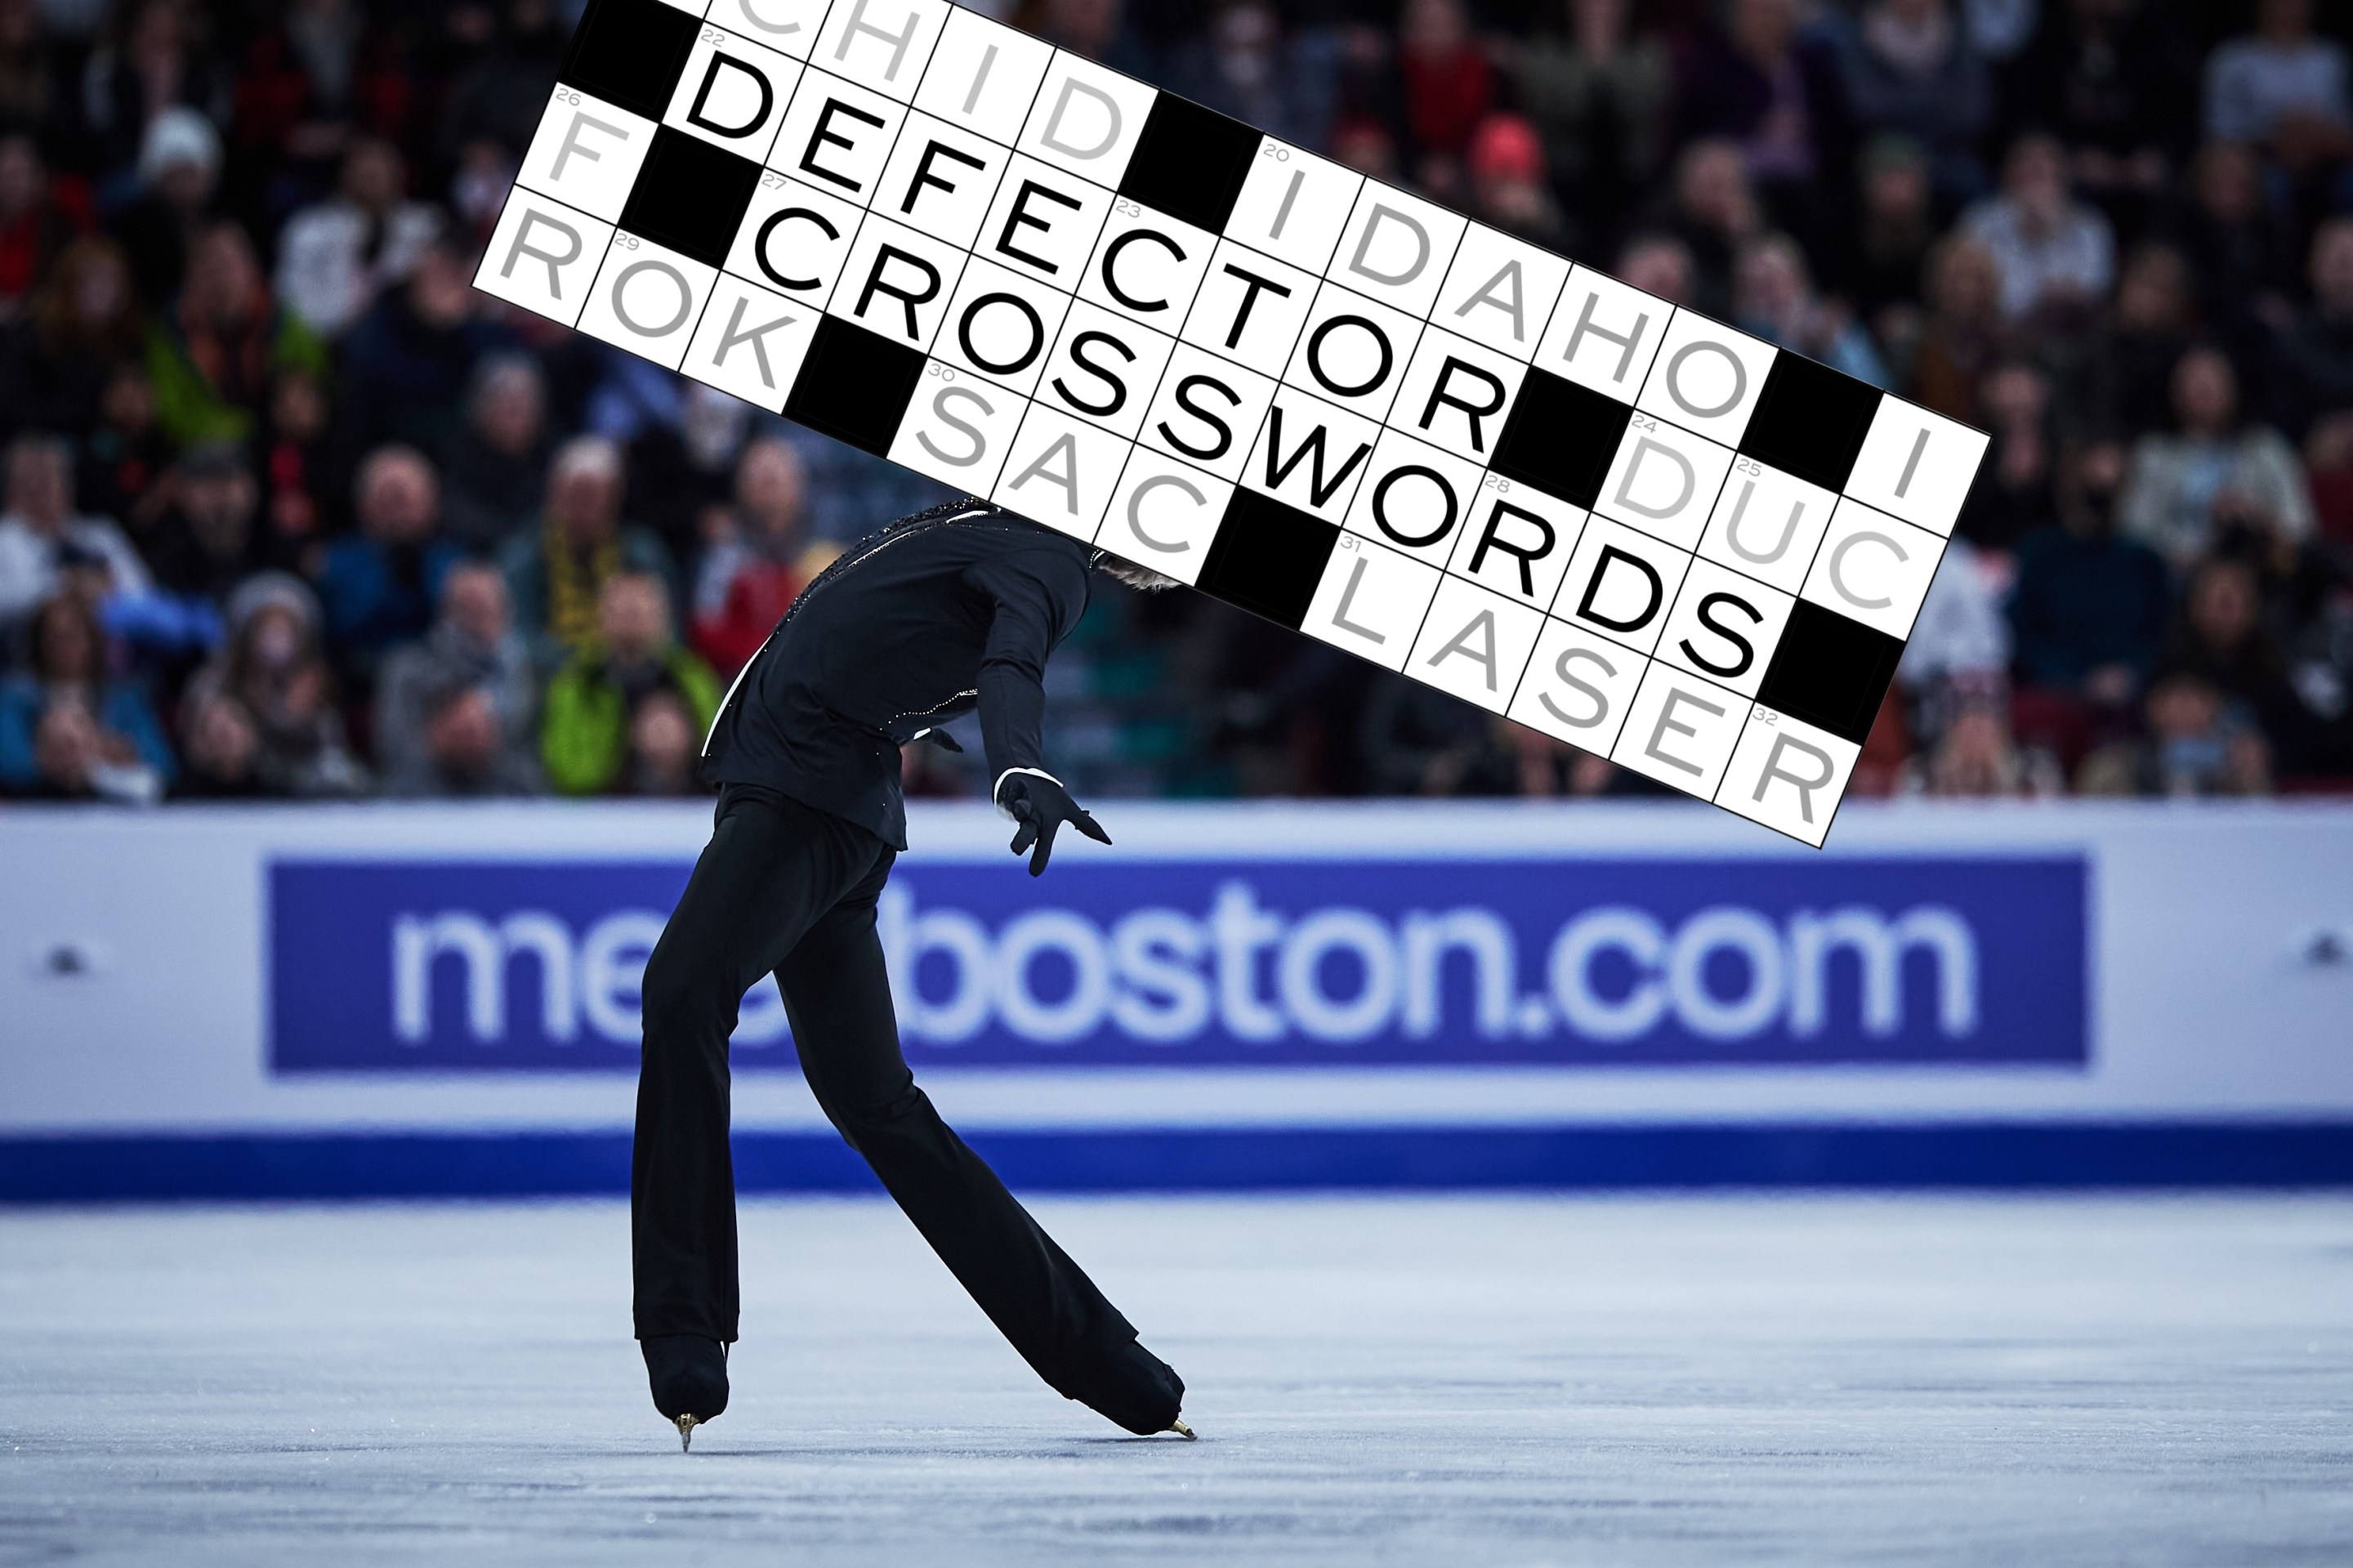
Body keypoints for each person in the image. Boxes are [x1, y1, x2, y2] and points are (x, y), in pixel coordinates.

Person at [635, 498, 1189, 1447]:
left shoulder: (1050, 561)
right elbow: (909, 620)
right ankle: (1118, 1370)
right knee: (880, 1107)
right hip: (833, 794)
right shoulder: (999, 513)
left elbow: (1012, 659)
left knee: (683, 992)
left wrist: (1016, 765)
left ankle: (684, 1327)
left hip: (804, 797)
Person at [2119, 346, 2313, 573]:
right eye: (2194, 380)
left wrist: (2259, 519)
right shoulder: (2154, 454)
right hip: (2176, 579)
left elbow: (2302, 525)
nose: (2204, 388)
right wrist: (2191, 548)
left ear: (2234, 387)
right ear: (2173, 392)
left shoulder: (2266, 447)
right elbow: (2134, 532)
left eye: (2213, 379)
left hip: (2260, 573)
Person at [177, 571, 368, 797]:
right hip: (228, 792)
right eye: (267, 628)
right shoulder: (215, 680)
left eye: (284, 630)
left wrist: (294, 715)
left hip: (295, 796)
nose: (276, 641)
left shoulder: (313, 681)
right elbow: (204, 743)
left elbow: (330, 755)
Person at [499, 435, 676, 670]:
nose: (584, 506)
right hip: (546, 679)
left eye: (595, 494)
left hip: (629, 672)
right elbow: (514, 641)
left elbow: (669, 638)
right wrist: (587, 658)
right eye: (576, 494)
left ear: (615, 497)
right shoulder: (522, 556)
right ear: (554, 494)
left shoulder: (644, 553)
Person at [542, 570, 718, 797]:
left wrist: (680, 747)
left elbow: (717, 756)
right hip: (602, 810)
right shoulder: (577, 683)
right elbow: (565, 768)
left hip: (687, 805)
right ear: (602, 617)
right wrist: (626, 739)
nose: (633, 621)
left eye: (640, 612)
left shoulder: (692, 679)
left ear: (662, 617)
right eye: (624, 612)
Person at [375, 559, 538, 793]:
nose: (476, 619)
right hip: (422, 794)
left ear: (506, 613)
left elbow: (532, 749)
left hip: (505, 792)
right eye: (466, 608)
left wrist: (488, 744)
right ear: (445, 612)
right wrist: (441, 740)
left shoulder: (523, 671)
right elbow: (393, 747)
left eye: (486, 608)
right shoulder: (407, 669)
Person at [0, 589, 172, 801]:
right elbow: (8, 761)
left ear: (93, 641)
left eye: (73, 637)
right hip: (37, 806)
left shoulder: (123, 698)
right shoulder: (17, 696)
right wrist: (55, 759)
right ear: (40, 641)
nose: (64, 647)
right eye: (55, 637)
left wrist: (116, 753)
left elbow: (162, 764)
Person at [313, 444, 459, 687]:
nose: (397, 515)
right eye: (386, 502)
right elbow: (341, 627)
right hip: (353, 686)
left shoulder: (454, 565)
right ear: (363, 507)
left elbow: (456, 631)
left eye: (404, 501)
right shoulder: (334, 562)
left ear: (432, 506)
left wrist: (419, 574)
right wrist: (387, 572)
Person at [272, 137, 441, 339]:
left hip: (406, 339)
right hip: (326, 338)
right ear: (344, 172)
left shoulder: (425, 225)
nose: (373, 173)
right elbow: (289, 296)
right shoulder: (310, 228)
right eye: (365, 168)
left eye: (382, 166)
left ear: (400, 173)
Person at [690, 438, 822, 678]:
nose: (769, 495)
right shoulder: (724, 554)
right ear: (742, 490)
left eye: (775, 482)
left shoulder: (821, 553)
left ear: (798, 487)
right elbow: (706, 629)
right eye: (760, 483)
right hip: (739, 680)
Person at [0, 431, 149, 628]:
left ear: (67, 484)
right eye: (27, 480)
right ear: (10, 489)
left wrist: (105, 590)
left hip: (113, 642)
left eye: (46, 478)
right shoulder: (5, 538)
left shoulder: (100, 533)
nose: (37, 489)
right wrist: (65, 586)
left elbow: (144, 591)